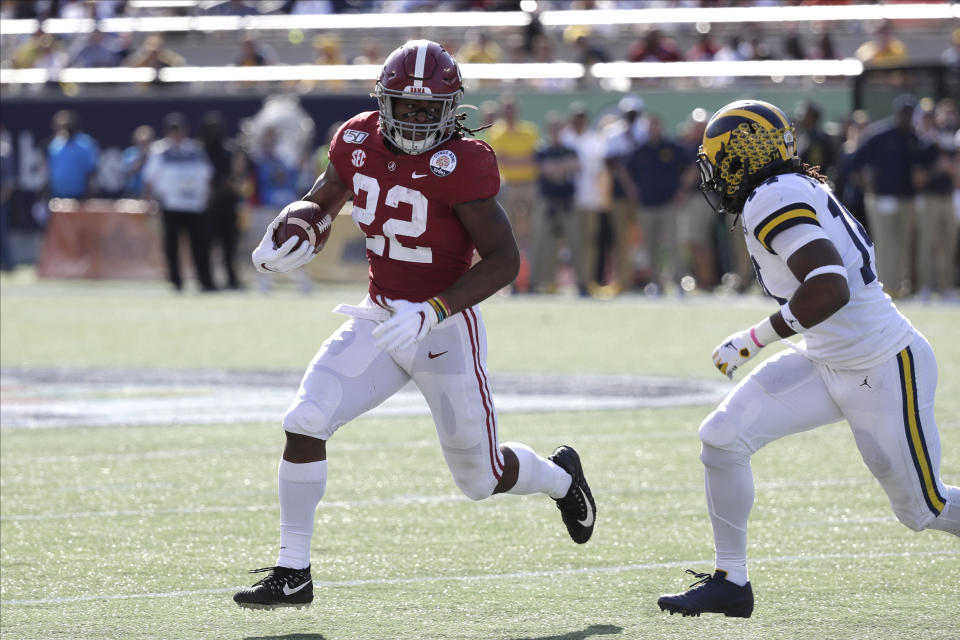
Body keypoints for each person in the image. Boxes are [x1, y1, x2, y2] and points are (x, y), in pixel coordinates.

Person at [234, 40, 597, 611]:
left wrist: (432, 310)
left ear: (452, 109)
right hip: (379, 316)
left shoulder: (466, 162)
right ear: (384, 102)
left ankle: (559, 477)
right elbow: (329, 194)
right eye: (407, 107)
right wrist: (298, 223)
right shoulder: (355, 138)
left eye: (431, 110)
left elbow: (505, 260)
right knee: (304, 420)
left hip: (441, 328)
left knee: (480, 479)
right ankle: (292, 571)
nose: (418, 119)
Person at [656, 99, 959, 618]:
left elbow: (828, 287)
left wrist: (753, 338)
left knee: (923, 509)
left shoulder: (770, 197)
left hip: (882, 364)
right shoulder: (785, 187)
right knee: (722, 438)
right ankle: (732, 580)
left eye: (716, 159)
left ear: (739, 157)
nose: (712, 174)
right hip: (828, 359)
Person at [850, 94, 922, 297]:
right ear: (897, 113)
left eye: (909, 113)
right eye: (904, 113)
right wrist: (869, 189)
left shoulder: (914, 137)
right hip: (881, 198)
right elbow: (856, 165)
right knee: (886, 244)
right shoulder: (879, 135)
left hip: (907, 199)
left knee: (904, 244)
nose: (906, 117)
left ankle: (901, 286)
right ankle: (885, 286)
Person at [142, 112, 216, 292]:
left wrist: (206, 199)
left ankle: (205, 281)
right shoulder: (160, 152)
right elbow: (150, 179)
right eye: (173, 131)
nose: (177, 135)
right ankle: (176, 281)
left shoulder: (195, 150)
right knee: (172, 246)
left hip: (194, 206)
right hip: (172, 205)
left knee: (200, 245)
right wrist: (149, 202)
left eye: (179, 130)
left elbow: (207, 177)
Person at [528, 110, 587, 295]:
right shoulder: (542, 149)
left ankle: (583, 284)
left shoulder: (570, 149)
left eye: (558, 127)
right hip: (547, 202)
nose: (555, 131)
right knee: (542, 244)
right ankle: (536, 283)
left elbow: (577, 166)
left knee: (576, 242)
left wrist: (557, 168)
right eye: (552, 127)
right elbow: (545, 169)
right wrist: (563, 166)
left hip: (567, 202)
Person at [46, 110, 99, 200]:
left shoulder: (86, 144)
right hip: (58, 195)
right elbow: (50, 170)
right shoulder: (55, 144)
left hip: (80, 196)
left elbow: (91, 170)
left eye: (68, 125)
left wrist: (91, 191)